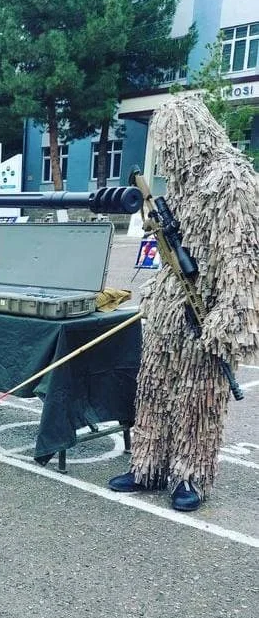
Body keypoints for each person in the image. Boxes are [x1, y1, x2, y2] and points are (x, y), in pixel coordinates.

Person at [108, 94, 259, 511]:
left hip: (202, 307)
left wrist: (230, 316)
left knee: (197, 397)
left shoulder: (233, 181)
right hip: (168, 308)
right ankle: (149, 463)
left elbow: (243, 257)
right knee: (154, 388)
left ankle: (190, 473)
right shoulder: (181, 187)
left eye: (174, 141)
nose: (169, 152)